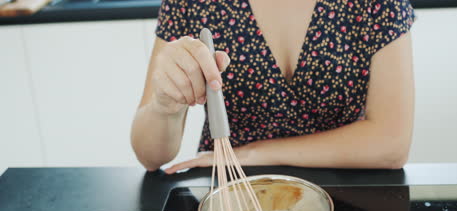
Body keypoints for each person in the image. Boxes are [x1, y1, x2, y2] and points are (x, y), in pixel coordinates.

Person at [131, 0, 415, 173]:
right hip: (232, 193)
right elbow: (151, 157)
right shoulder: (191, 3)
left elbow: (391, 144)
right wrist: (164, 106)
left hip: (351, 189)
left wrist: (252, 154)